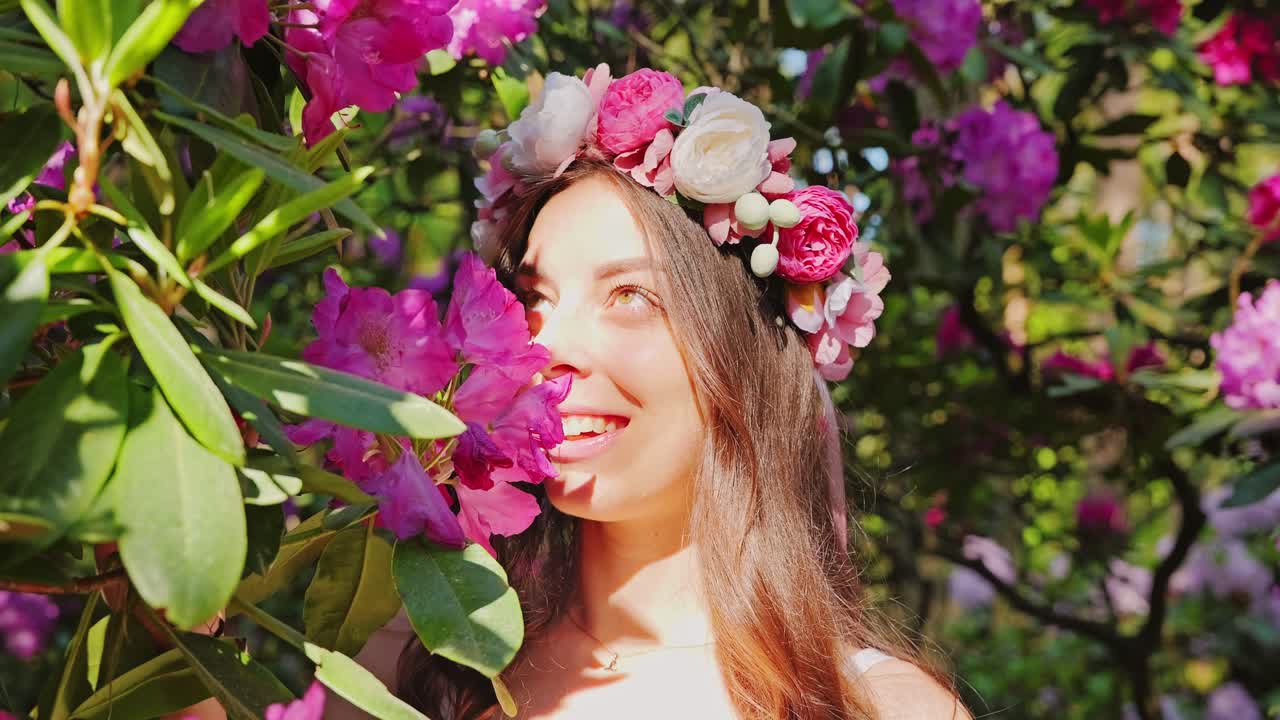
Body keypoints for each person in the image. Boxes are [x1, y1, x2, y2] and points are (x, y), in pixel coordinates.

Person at [332, 66, 973, 719]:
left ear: (742, 356)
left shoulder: (883, 706)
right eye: (533, 300)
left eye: (629, 296)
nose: (547, 349)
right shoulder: (424, 673)